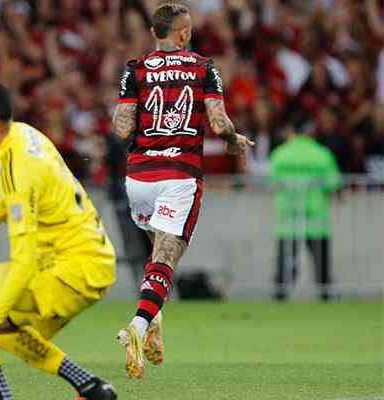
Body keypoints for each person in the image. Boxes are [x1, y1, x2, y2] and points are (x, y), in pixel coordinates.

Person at [0, 81, 118, 400]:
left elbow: (23, 264)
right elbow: (23, 192)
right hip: (93, 261)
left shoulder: (14, 163)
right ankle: (90, 388)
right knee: (4, 327)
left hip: (68, 269)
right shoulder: (24, 134)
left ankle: (2, 396)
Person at [112, 3, 254, 379]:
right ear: (184, 32)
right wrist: (233, 140)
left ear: (154, 32)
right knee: (166, 260)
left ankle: (154, 320)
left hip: (139, 179)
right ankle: (138, 327)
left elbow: (122, 128)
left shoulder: (135, 68)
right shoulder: (203, 67)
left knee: (156, 255)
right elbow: (219, 121)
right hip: (179, 175)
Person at [269, 124, 341, 301]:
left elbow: (272, 183)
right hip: (316, 216)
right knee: (321, 263)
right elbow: (333, 185)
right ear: (311, 133)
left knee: (286, 263)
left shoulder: (280, 154)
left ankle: (280, 296)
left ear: (291, 131)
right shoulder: (322, 154)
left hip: (289, 215)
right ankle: (325, 295)